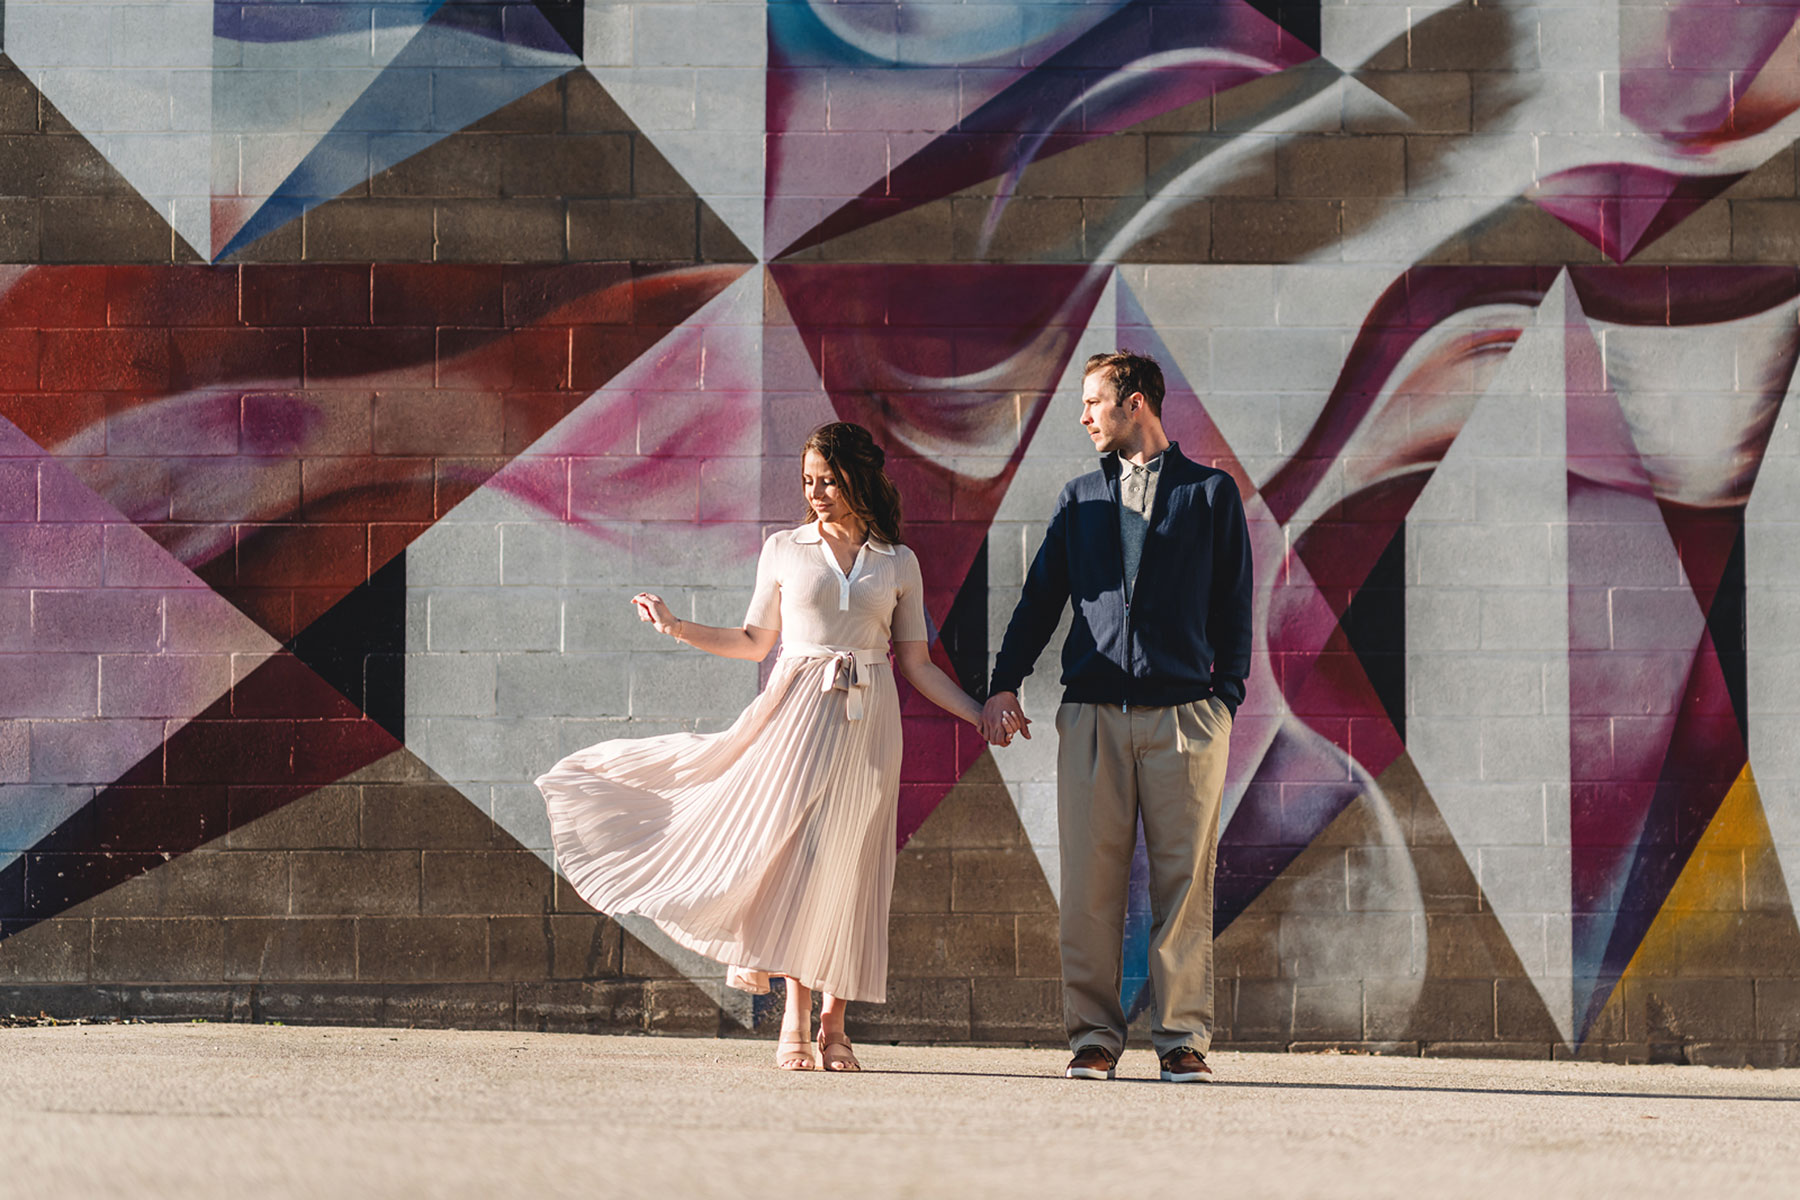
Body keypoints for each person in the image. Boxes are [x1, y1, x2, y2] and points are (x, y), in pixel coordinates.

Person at [536, 422, 991, 1072]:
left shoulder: (898, 561)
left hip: (870, 721)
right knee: (798, 862)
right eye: (808, 480)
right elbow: (754, 639)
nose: (815, 491)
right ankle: (797, 1019)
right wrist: (677, 626)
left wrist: (979, 715)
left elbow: (916, 664)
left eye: (827, 479)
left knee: (853, 864)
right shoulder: (784, 548)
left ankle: (838, 1025)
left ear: (858, 477)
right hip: (798, 713)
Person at [983, 350, 1253, 1083]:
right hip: (1094, 716)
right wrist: (1004, 681)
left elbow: (1234, 606)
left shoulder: (1210, 494)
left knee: (1183, 888)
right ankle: (1094, 1039)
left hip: (1186, 721)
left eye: (1092, 401)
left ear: (1135, 403)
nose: (1082, 415)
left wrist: (1224, 698)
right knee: (1091, 888)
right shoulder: (1080, 501)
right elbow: (1041, 598)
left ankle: (1181, 1041)